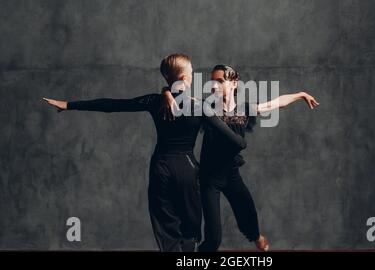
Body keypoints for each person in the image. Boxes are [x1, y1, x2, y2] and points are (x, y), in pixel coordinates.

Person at [42, 54, 246, 252]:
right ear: (184, 78)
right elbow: (238, 142)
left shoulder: (154, 101)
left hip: (161, 168)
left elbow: (113, 105)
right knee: (190, 228)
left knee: (167, 226)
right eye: (191, 73)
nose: (193, 76)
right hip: (187, 170)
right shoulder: (199, 106)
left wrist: (69, 105)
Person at [163, 64, 319, 252]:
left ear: (233, 83)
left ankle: (256, 236)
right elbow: (178, 93)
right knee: (213, 239)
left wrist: (301, 94)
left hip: (231, 175)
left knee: (248, 214)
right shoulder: (204, 107)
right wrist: (166, 92)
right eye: (212, 81)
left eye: (220, 81)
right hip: (209, 179)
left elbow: (276, 103)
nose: (214, 86)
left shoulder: (245, 110)